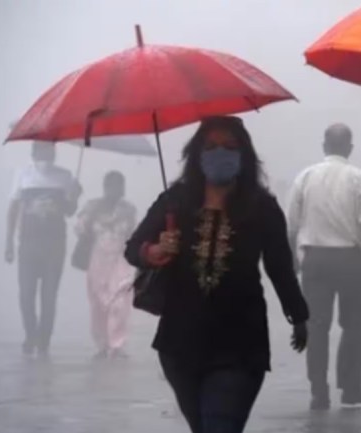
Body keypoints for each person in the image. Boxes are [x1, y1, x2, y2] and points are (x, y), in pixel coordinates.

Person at [124, 116, 309, 433]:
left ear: (244, 155)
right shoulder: (175, 202)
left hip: (240, 343)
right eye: (210, 147)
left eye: (229, 147)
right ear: (196, 154)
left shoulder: (262, 207)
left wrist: (299, 315)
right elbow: (132, 249)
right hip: (180, 343)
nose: (219, 153)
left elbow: (280, 267)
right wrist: (153, 251)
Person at [287, 123, 361, 410]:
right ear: (350, 148)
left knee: (317, 326)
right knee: (353, 324)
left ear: (324, 146)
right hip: (349, 259)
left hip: (315, 259)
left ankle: (319, 392)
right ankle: (350, 389)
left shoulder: (305, 176)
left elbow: (292, 224)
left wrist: (293, 257)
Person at [5, 141, 81, 359]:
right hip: (28, 242)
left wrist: (75, 195)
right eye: (42, 151)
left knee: (49, 295)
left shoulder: (64, 176)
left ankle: (44, 339)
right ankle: (31, 334)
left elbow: (69, 211)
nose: (47, 156)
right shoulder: (23, 174)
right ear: (33, 153)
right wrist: (8, 243)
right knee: (26, 294)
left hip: (54, 244)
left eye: (50, 151)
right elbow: (13, 209)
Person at [75, 171, 136, 360]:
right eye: (112, 185)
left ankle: (117, 344)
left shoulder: (129, 210)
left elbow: (134, 233)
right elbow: (79, 229)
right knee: (98, 304)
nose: (116, 189)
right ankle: (102, 344)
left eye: (119, 185)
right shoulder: (92, 207)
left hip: (120, 259)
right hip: (98, 260)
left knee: (120, 303)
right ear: (105, 187)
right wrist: (87, 219)